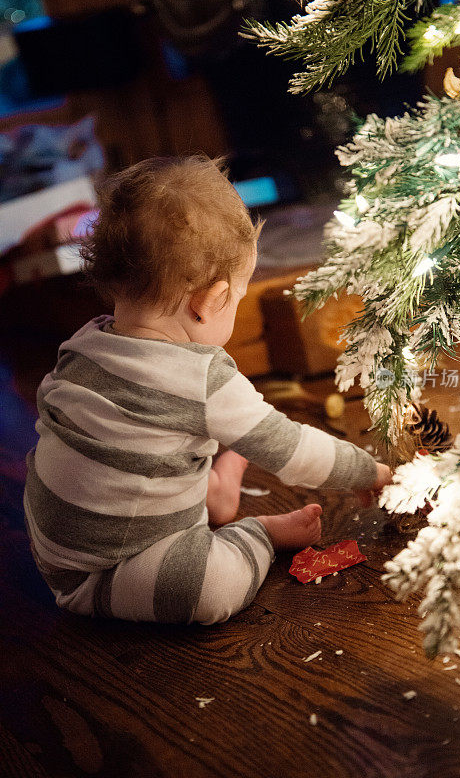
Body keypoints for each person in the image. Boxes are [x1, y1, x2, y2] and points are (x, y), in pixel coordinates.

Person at [24, 156, 392, 626]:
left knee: (157, 446)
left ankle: (213, 491)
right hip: (109, 571)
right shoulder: (199, 377)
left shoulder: (82, 344)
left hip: (55, 552)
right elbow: (294, 451)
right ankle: (258, 534)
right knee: (210, 592)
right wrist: (370, 472)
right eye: (237, 296)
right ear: (209, 302)